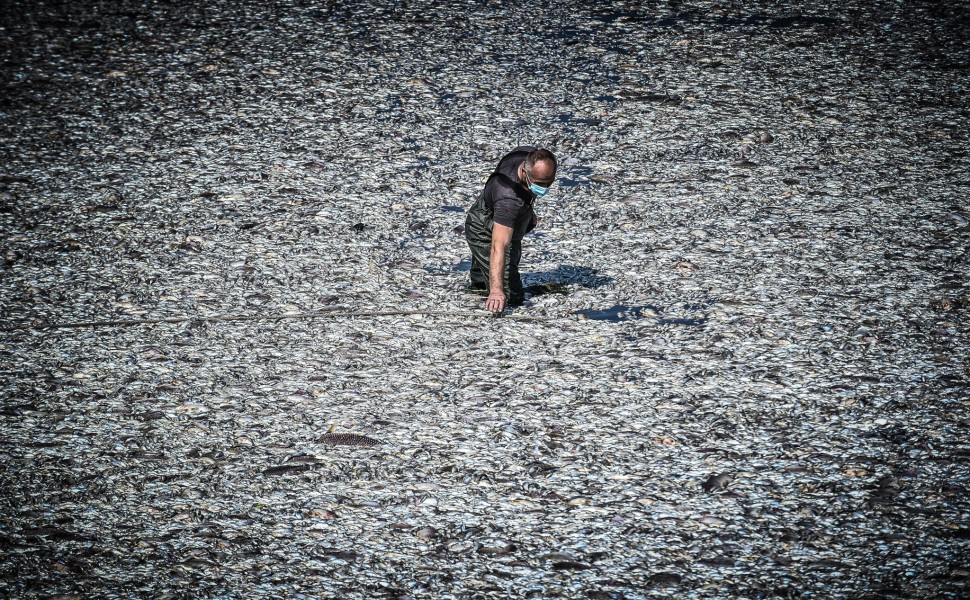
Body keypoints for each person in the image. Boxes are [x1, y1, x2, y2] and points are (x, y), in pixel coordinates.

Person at [464, 146, 557, 313]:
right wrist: (497, 291)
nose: (545, 187)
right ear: (524, 170)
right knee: (511, 295)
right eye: (540, 184)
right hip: (483, 226)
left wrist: (529, 211)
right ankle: (487, 288)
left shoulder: (526, 154)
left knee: (481, 281)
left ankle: (480, 282)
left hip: (495, 206)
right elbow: (498, 246)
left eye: (549, 182)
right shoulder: (508, 199)